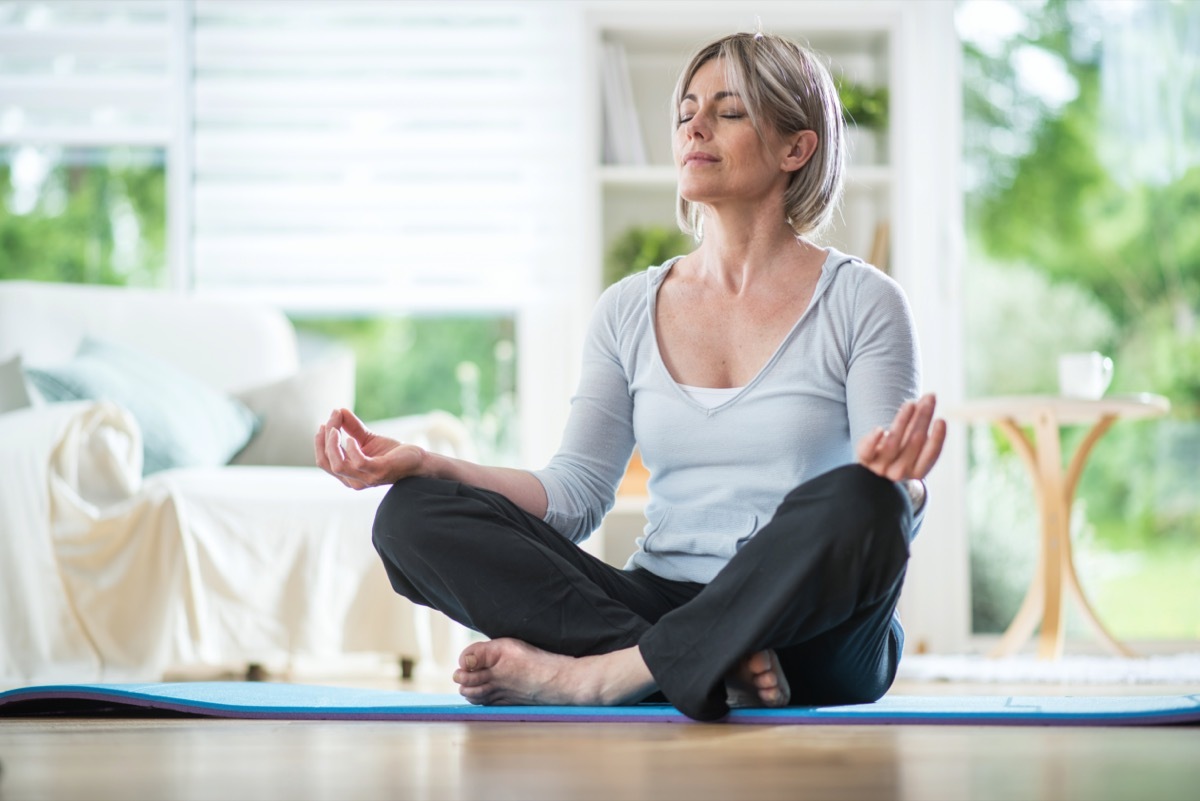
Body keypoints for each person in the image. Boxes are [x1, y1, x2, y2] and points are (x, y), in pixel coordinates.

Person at [315, 30, 946, 723]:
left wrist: (900, 481)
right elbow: (574, 494)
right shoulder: (626, 309)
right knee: (412, 513)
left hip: (813, 631)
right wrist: (431, 464)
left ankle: (601, 676)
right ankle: (698, 660)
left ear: (797, 148)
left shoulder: (864, 301)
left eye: (728, 112)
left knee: (870, 498)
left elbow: (883, 500)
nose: (693, 127)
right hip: (660, 597)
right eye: (685, 112)